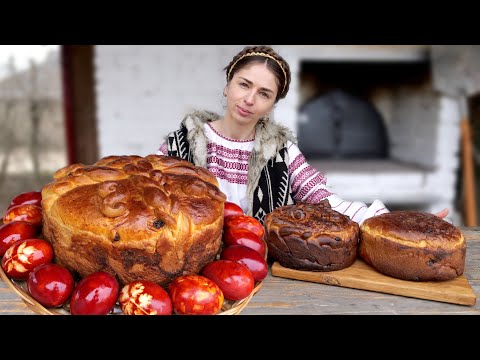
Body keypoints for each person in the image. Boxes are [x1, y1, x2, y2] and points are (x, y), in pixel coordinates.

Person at [156, 45, 449, 224]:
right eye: (244, 85)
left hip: (261, 269)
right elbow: (143, 194)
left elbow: (325, 201)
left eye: (264, 93)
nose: (249, 99)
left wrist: (395, 221)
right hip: (190, 268)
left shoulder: (282, 152)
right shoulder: (180, 143)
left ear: (272, 104)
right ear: (227, 85)